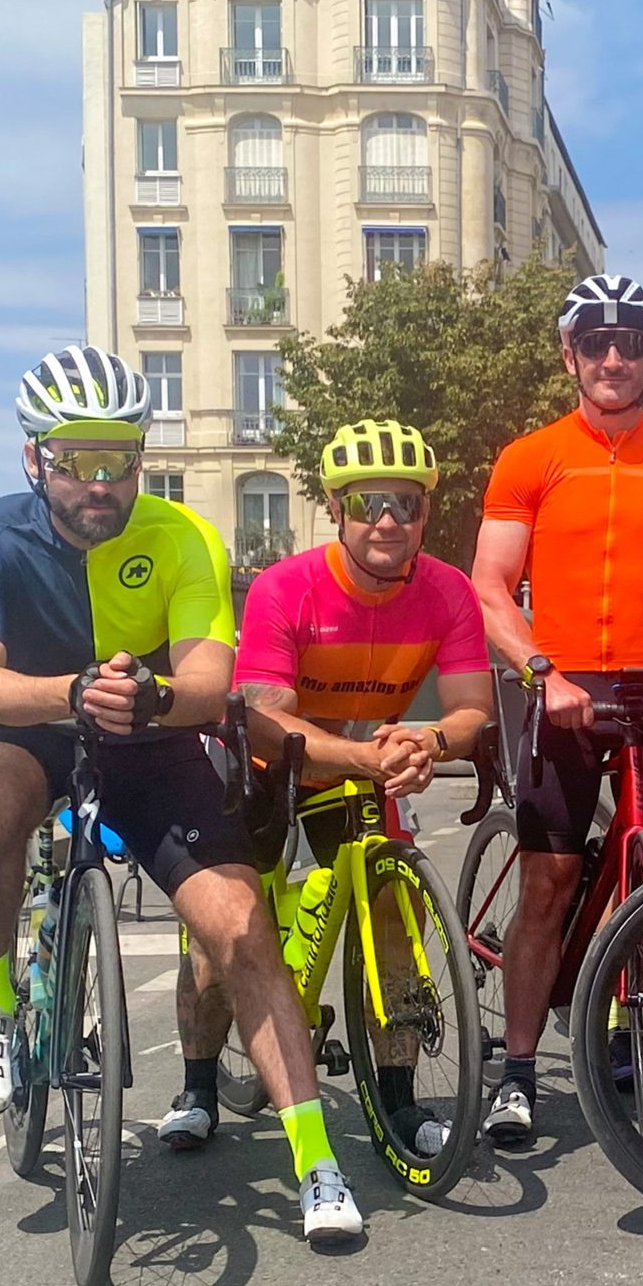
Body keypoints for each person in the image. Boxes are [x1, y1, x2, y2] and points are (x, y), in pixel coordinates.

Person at [0, 346, 362, 1243]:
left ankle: (316, 1160)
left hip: (148, 737)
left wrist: (152, 698)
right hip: (31, 728)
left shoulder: (181, 537)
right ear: (33, 459)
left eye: (117, 460)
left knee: (244, 929)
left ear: (140, 457)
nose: (99, 482)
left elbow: (213, 677)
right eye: (74, 460)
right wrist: (73, 691)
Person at [159, 419, 494, 1162]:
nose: (387, 520)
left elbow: (473, 708)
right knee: (227, 942)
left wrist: (428, 740)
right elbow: (265, 717)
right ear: (337, 509)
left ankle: (402, 1101)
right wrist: (369, 755)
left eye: (405, 505)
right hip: (260, 770)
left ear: (424, 515)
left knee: (392, 922)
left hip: (355, 768)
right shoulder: (287, 587)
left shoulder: (449, 592)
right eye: (369, 502)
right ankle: (198, 1086)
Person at [470, 274, 643, 1145]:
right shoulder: (531, 455)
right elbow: (489, 586)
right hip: (561, 684)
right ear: (572, 355)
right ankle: (519, 1072)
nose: (617, 357)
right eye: (598, 343)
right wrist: (541, 672)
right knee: (547, 883)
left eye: (632, 342)